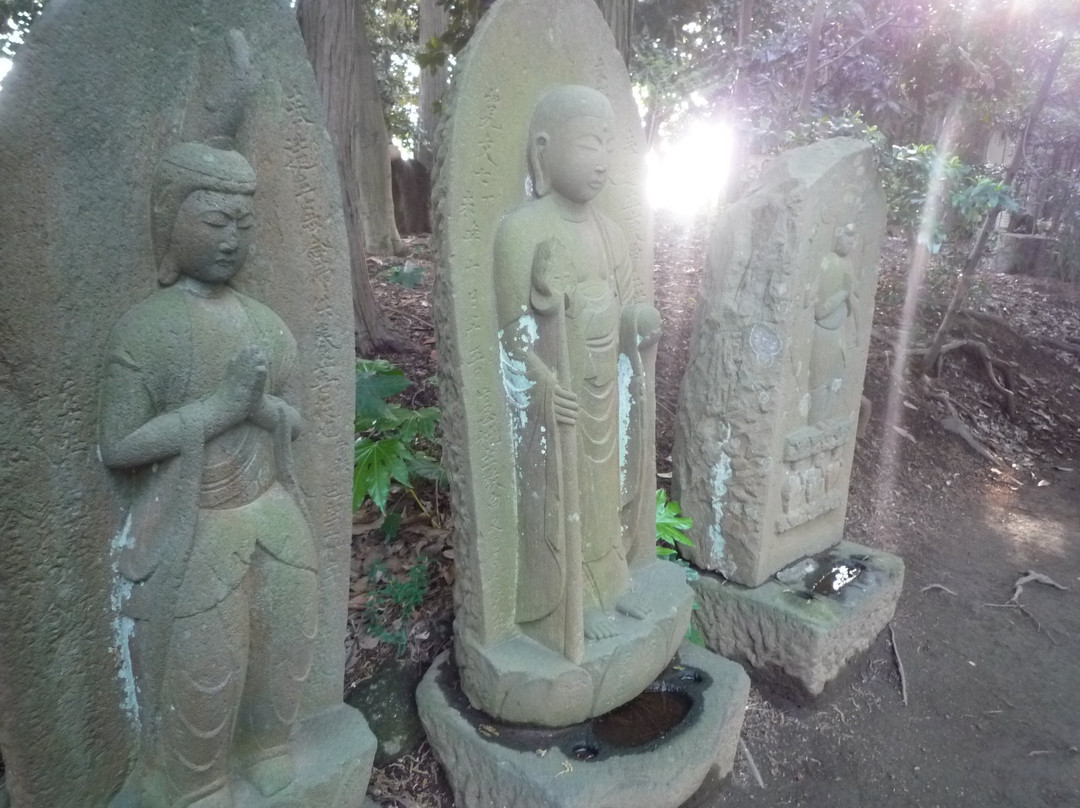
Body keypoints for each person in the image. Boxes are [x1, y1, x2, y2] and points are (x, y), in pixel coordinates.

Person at [100, 142, 315, 808]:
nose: (231, 240)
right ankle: (196, 778)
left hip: (271, 507)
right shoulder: (147, 329)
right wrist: (220, 409)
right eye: (214, 222)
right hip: (201, 520)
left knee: (286, 639)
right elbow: (119, 444)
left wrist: (264, 409)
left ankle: (270, 744)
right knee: (208, 661)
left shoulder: (267, 325)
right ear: (169, 223)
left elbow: (290, 419)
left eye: (243, 226)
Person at [494, 85, 660, 661]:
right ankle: (575, 602)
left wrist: (640, 320)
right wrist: (540, 385)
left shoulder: (610, 233)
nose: (601, 160)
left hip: (604, 391)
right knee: (568, 497)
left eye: (608, 146)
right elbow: (512, 333)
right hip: (558, 398)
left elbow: (627, 305)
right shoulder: (521, 232)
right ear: (544, 150)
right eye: (588, 143)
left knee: (606, 490)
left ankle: (610, 585)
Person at [808, 222, 860, 424]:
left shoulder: (847, 264)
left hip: (839, 334)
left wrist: (860, 331)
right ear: (837, 238)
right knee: (819, 383)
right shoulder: (826, 262)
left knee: (836, 380)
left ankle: (827, 420)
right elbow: (820, 311)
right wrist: (842, 293)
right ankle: (815, 422)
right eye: (847, 240)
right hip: (824, 333)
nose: (850, 245)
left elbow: (854, 298)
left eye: (853, 242)